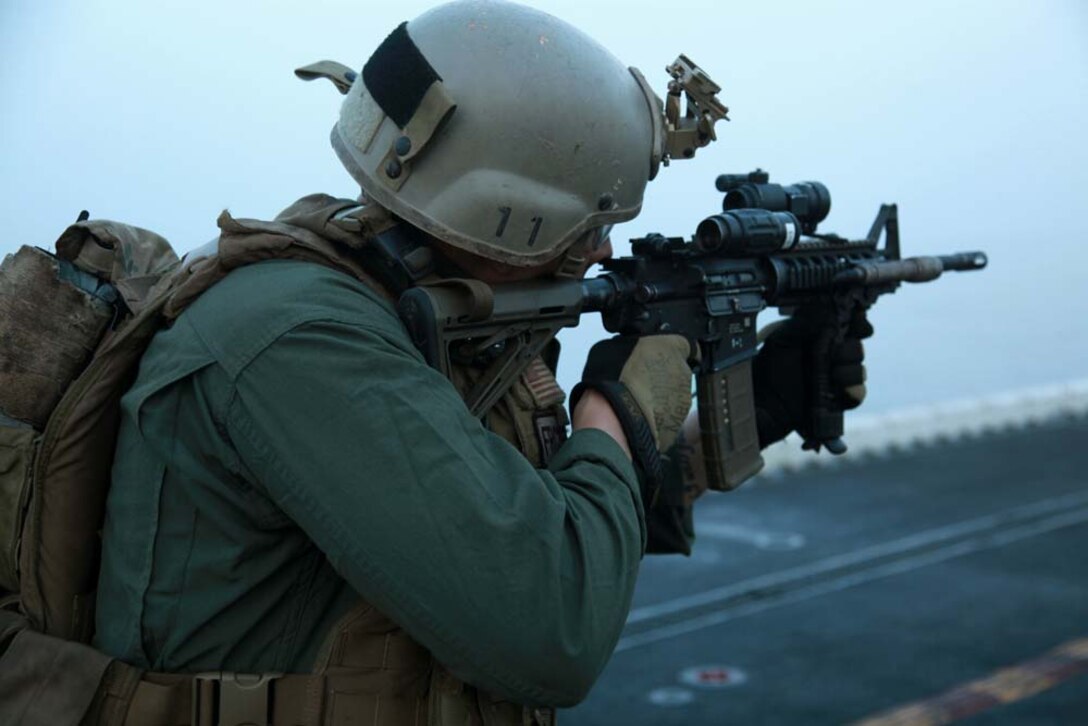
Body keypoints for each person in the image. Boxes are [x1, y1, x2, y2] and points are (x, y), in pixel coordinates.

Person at [91, 1, 868, 724]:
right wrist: (616, 413)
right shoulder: (300, 341)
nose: (601, 249)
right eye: (589, 224)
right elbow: (552, 622)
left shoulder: (420, 316)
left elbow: (524, 524)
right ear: (506, 208)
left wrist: (758, 411)